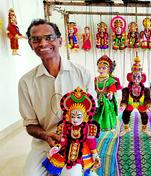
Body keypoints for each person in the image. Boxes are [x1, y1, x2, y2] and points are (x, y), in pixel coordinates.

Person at [18, 18, 94, 176]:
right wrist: (46, 135)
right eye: (36, 39)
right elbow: (30, 124)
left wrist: (79, 139)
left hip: (76, 141)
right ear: (31, 45)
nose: (43, 43)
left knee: (71, 174)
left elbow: (92, 114)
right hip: (44, 143)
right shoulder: (26, 82)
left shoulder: (82, 74)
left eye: (49, 37)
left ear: (60, 41)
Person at [42, 87, 101, 175]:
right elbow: (63, 138)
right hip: (67, 147)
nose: (75, 120)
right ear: (69, 115)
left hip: (83, 150)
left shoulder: (89, 127)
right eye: (73, 116)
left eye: (78, 117)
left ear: (84, 116)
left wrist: (95, 154)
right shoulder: (65, 125)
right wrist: (58, 147)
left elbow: (91, 142)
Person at [119, 55, 151, 136]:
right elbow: (124, 99)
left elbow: (148, 98)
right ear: (130, 77)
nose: (136, 79)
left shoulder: (146, 89)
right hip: (130, 103)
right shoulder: (126, 89)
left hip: (141, 103)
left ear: (142, 78)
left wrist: (148, 105)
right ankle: (126, 128)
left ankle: (144, 128)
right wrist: (123, 105)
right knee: (126, 114)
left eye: (138, 77)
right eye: (134, 77)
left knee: (144, 115)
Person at [92, 55, 121, 131]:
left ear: (108, 69)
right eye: (99, 68)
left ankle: (108, 125)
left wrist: (111, 92)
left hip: (106, 98)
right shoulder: (96, 79)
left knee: (106, 112)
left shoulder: (110, 80)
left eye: (103, 68)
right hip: (97, 98)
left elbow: (112, 87)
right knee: (97, 111)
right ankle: (97, 124)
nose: (101, 70)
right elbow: (94, 88)